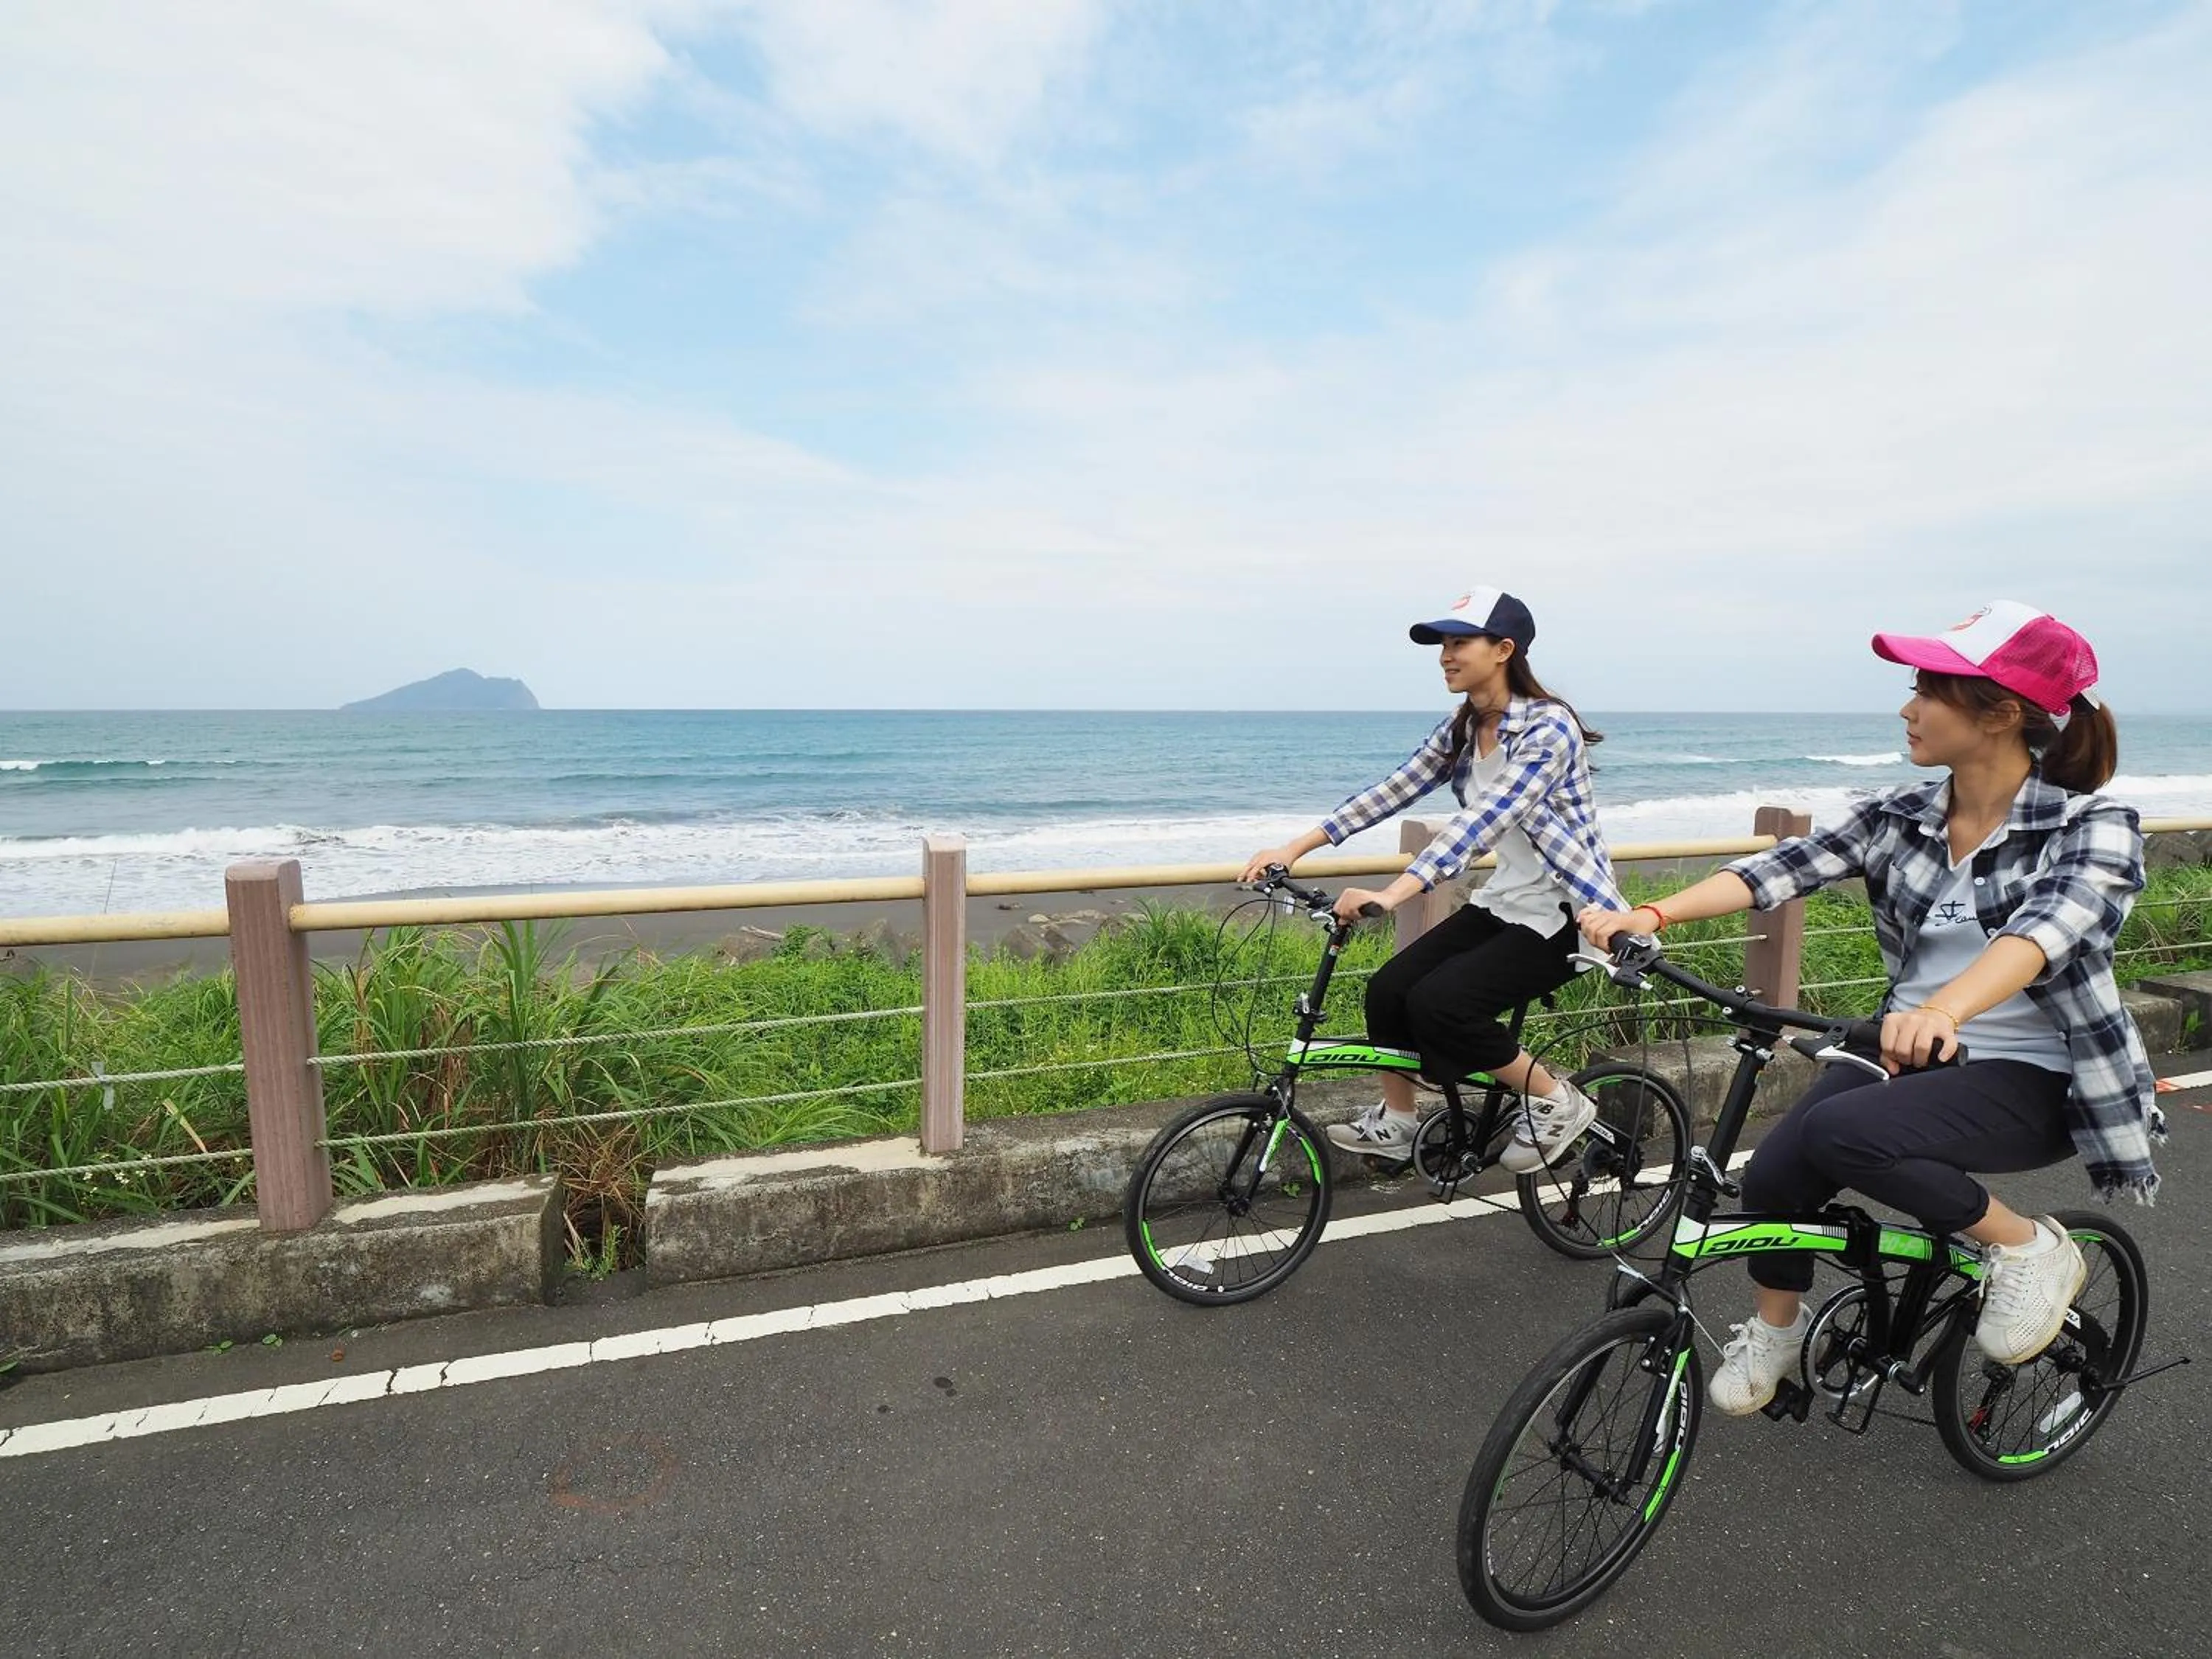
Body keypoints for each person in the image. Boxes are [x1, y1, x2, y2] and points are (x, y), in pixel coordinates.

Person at [1581, 601, 2163, 1415]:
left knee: (1841, 1134)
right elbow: (1780, 868)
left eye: (1930, 688)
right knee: (1777, 1172)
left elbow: (2043, 933)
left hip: (2040, 1076)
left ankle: (2030, 1249)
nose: (1907, 706)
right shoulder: (1900, 815)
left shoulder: (2092, 826)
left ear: (1999, 711)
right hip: (1914, 1054)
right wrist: (1652, 915)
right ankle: (1777, 1334)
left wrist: (1947, 1010)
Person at [1244, 586, 1626, 1173]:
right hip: (1505, 902)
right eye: (1443, 644)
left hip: (1568, 914)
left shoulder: (1549, 729)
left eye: (1459, 643)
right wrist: (1294, 847)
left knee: (1443, 1005)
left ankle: (1557, 1099)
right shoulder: (1466, 726)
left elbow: (1483, 821)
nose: (1446, 655)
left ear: (1503, 650)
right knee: (1389, 991)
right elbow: (1394, 789)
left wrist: (1391, 894)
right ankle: (1399, 1122)